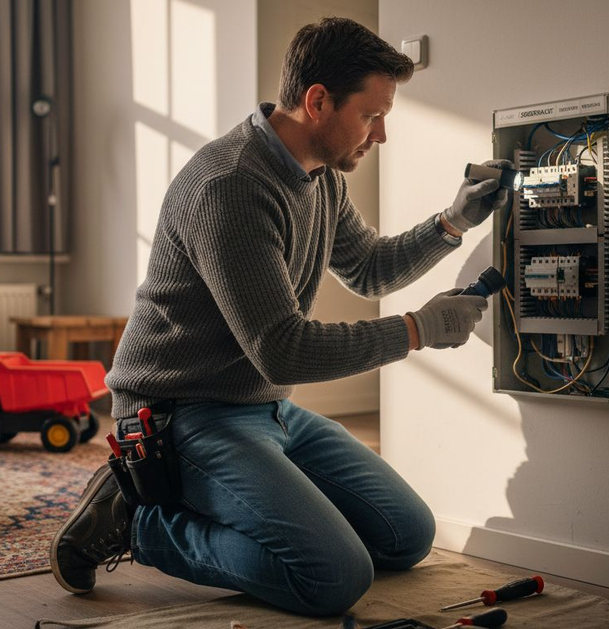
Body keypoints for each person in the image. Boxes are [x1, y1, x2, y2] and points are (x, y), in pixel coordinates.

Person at [50, 16, 512, 616]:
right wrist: (417, 330)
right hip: (180, 413)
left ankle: (219, 498)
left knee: (406, 536)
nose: (381, 134)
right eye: (372, 116)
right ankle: (139, 522)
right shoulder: (232, 185)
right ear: (317, 102)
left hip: (264, 405)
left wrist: (452, 221)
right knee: (335, 577)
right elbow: (283, 349)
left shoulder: (318, 176)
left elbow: (368, 268)